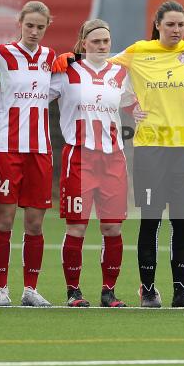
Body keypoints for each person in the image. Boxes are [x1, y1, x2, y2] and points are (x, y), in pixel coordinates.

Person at [113, 0, 184, 308]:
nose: (176, 29)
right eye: (170, 24)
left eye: (181, 24)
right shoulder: (138, 51)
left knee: (181, 220)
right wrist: (131, 105)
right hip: (150, 149)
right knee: (151, 220)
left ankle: (180, 292)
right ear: (157, 24)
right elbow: (103, 74)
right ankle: (147, 290)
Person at [50, 19, 134, 308]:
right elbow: (34, 94)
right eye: (95, 41)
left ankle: (108, 291)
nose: (101, 46)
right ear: (84, 42)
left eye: (105, 42)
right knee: (77, 228)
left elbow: (136, 105)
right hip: (80, 157)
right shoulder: (67, 70)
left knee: (112, 229)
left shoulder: (121, 73)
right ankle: (73, 291)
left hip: (113, 159)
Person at [0, 1, 56, 307]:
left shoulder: (50, 58)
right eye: (30, 26)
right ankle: (1, 289)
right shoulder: (0, 55)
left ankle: (30, 288)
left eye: (41, 27)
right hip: (6, 147)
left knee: (35, 224)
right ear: (20, 23)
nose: (35, 32)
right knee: (4, 220)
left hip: (39, 150)